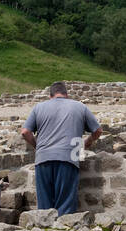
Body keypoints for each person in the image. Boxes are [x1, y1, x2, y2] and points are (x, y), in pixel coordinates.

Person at [21, 82, 102, 215]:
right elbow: (98, 131)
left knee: (44, 210)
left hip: (43, 158)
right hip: (70, 157)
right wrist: (85, 144)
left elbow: (25, 132)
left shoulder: (39, 107)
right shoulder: (80, 106)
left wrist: (38, 147)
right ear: (67, 94)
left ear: (50, 96)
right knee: (65, 208)